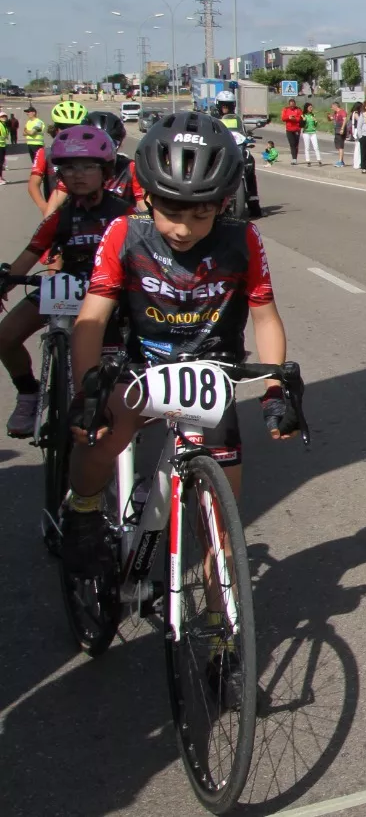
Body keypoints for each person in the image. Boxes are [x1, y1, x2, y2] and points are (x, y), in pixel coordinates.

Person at [61, 111, 300, 576]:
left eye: (201, 213)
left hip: (210, 377)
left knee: (221, 529)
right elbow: (91, 319)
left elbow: (265, 317)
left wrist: (275, 388)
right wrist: (85, 392)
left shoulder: (243, 238)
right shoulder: (126, 234)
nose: (184, 228)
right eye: (170, 212)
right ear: (145, 196)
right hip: (141, 372)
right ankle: (83, 511)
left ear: (224, 203)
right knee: (104, 437)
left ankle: (221, 633)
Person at [0, 127, 133, 437]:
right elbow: (31, 253)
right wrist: (6, 280)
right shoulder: (60, 216)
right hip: (67, 286)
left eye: (88, 167)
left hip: (110, 292)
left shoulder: (125, 213)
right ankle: (29, 394)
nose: (78, 174)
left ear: (105, 172)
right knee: (4, 337)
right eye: (69, 167)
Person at [28, 100, 88, 215]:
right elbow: (33, 185)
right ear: (56, 129)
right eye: (63, 127)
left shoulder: (90, 153)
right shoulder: (45, 153)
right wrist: (45, 208)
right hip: (58, 212)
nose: (70, 131)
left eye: (75, 127)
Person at [281, 98, 304, 163]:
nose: (292, 107)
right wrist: (288, 117)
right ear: (289, 105)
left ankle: (295, 158)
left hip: (297, 129)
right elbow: (283, 118)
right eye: (291, 105)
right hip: (289, 129)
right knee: (292, 143)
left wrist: (294, 119)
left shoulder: (298, 110)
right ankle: (293, 158)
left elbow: (301, 118)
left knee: (296, 144)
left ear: (295, 104)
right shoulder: (285, 109)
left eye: (293, 105)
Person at [331, 101, 349, 167]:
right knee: (338, 145)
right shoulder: (335, 113)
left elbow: (345, 120)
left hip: (340, 130)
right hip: (336, 130)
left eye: (332, 107)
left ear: (336, 106)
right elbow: (332, 118)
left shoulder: (342, 112)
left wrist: (342, 128)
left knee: (340, 145)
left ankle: (340, 161)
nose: (332, 108)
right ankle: (341, 160)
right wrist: (329, 117)